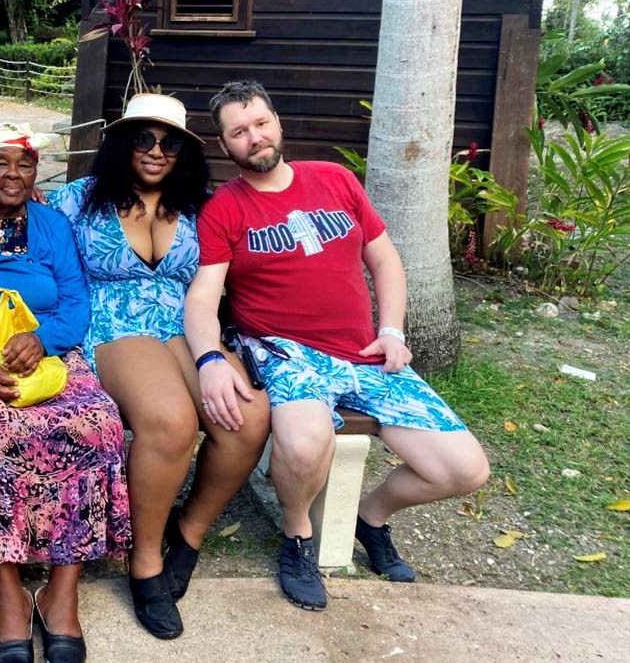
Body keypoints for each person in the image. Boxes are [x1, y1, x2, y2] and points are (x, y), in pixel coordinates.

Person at [185, 79, 490, 611]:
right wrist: (210, 358)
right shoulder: (225, 209)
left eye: (260, 123)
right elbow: (204, 295)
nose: (253, 138)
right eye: (239, 132)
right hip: (288, 354)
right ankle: (298, 536)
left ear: (277, 123)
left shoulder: (335, 180)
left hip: (364, 353)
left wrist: (392, 329)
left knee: (464, 470)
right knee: (303, 445)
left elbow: (384, 260)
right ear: (225, 146)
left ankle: (370, 518)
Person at [48, 94, 269, 639]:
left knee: (249, 416)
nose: (155, 151)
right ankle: (143, 560)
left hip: (188, 325)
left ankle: (186, 534)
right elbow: (11, 223)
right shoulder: (76, 201)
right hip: (113, 326)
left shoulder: (201, 205)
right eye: (143, 139)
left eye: (169, 142)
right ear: (123, 143)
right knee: (172, 421)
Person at [0, 123, 130, 663]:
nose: (13, 175)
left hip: (49, 353)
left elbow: (76, 306)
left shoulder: (52, 225)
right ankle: (8, 593)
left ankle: (62, 592)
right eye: (1, 163)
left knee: (96, 423)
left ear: (36, 172)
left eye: (25, 165)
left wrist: (44, 339)